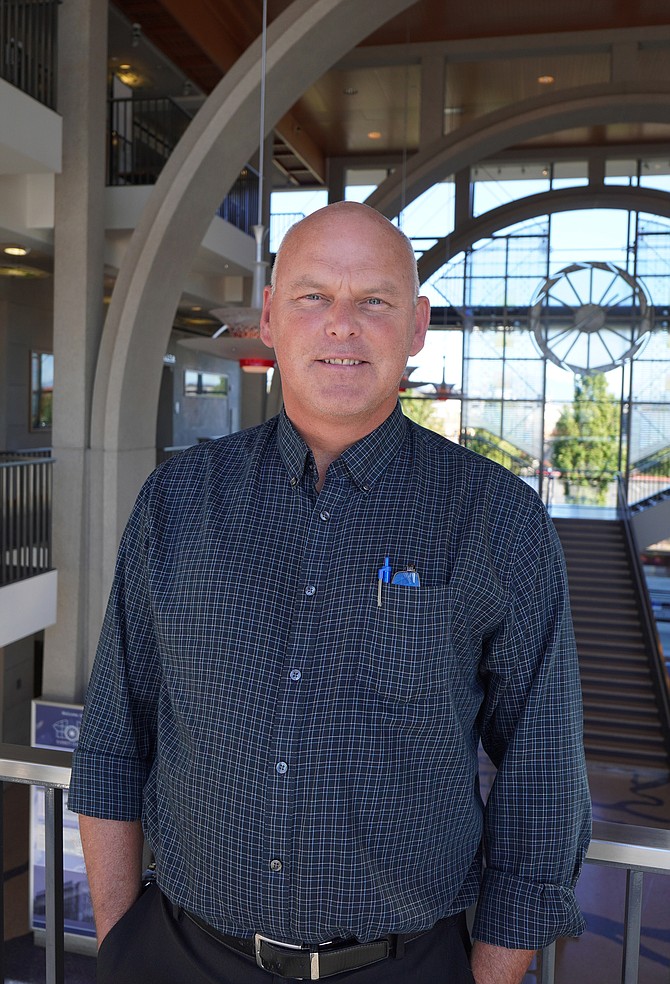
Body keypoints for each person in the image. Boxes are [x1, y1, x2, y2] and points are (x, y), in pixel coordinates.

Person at [69, 201, 591, 984]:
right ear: (270, 320)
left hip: (403, 966)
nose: (342, 324)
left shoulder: (496, 519)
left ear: (415, 326)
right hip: (174, 953)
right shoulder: (176, 502)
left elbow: (543, 775)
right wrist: (119, 944)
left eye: (373, 300)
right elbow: (115, 738)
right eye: (313, 296)